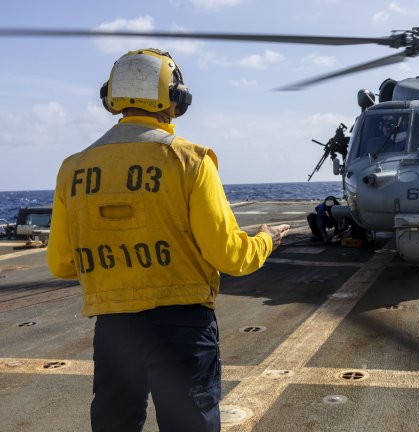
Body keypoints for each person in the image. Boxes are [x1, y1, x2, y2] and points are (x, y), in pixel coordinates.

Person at [46, 48, 289, 432]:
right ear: (175, 98)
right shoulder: (190, 160)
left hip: (114, 330)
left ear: (111, 96)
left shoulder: (72, 169)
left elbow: (61, 264)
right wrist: (266, 239)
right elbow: (230, 256)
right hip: (183, 330)